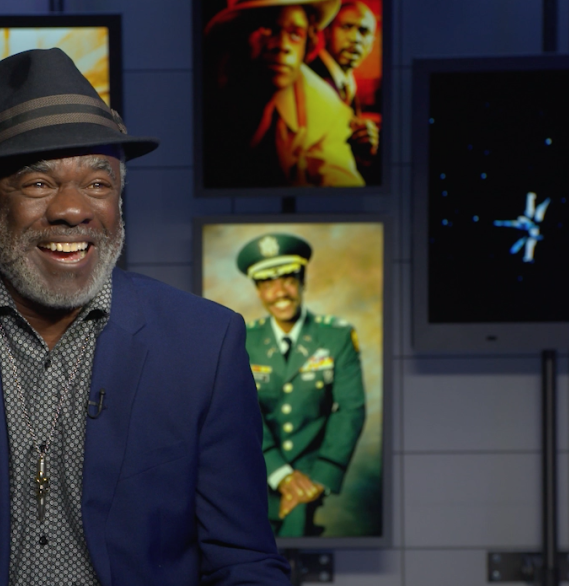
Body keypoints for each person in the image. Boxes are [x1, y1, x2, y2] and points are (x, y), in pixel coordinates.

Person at [0, 48, 292, 586]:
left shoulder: (204, 344)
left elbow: (244, 562)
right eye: (39, 184)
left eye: (98, 184)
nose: (73, 209)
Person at [236, 233, 366, 537]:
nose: (280, 292)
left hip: (310, 481)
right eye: (267, 283)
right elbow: (240, 413)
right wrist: (281, 474)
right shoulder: (244, 341)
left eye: (288, 279)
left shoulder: (337, 337)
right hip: (253, 478)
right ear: (257, 290)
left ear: (303, 281)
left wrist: (321, 477)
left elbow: (350, 408)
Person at [202, 0, 364, 188]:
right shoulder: (208, 86)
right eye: (267, 29)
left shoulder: (325, 107)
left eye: (295, 34)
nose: (282, 45)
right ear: (240, 32)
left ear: (308, 43)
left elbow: (341, 182)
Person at [309, 0, 381, 183]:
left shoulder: (347, 82)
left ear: (372, 43)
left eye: (363, 32)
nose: (355, 38)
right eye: (347, 27)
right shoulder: (312, 79)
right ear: (327, 32)